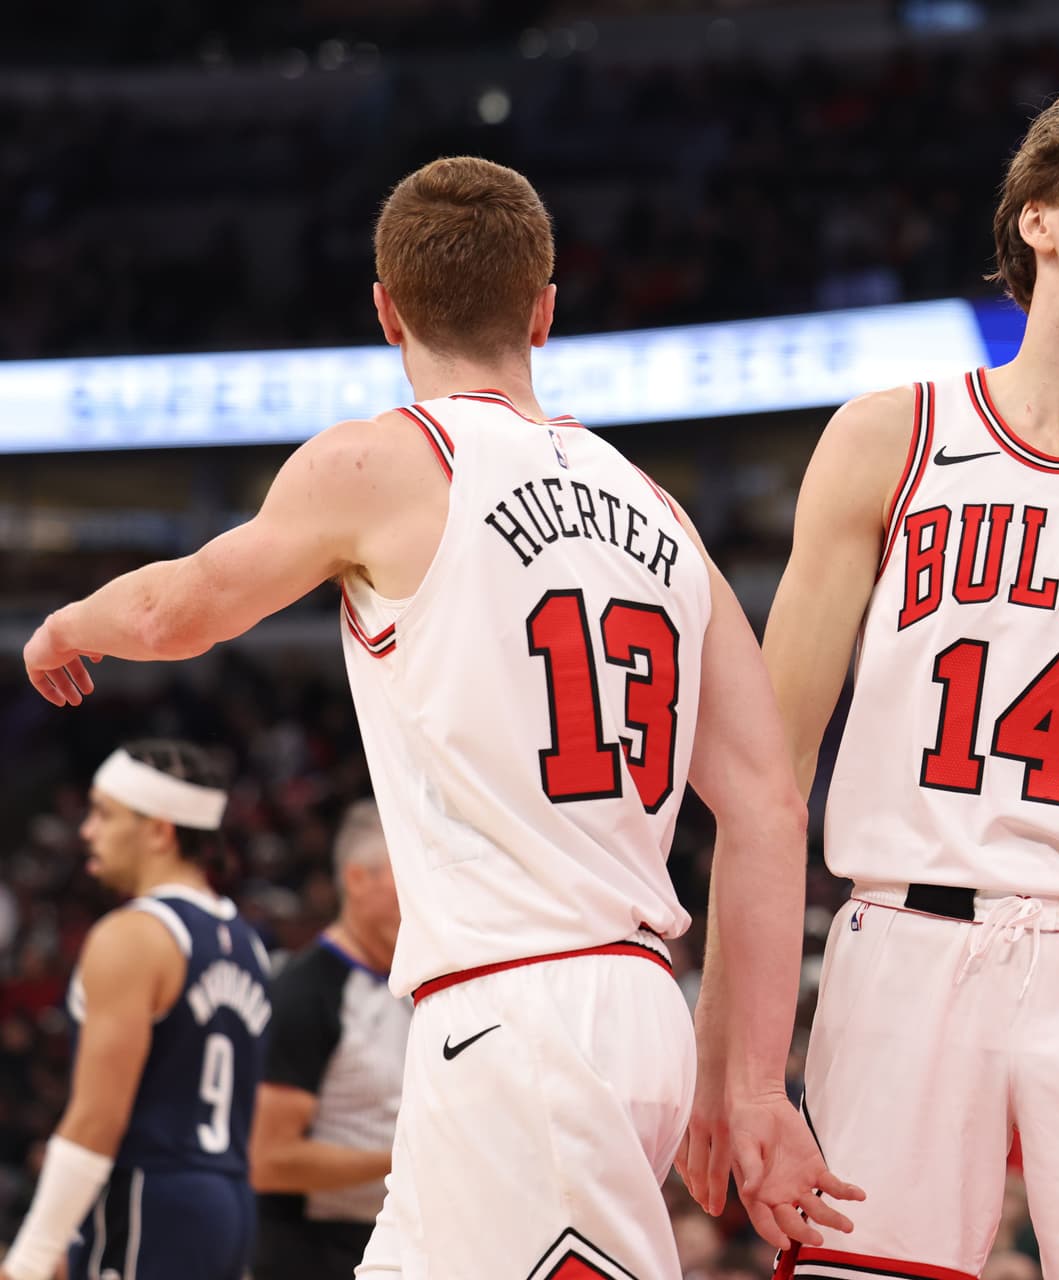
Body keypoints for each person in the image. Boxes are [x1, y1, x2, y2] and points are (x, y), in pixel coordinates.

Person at [21, 155, 857, 1276]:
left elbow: (180, 609)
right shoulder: (658, 507)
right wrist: (750, 1080)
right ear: (545, 309)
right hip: (623, 1002)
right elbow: (764, 807)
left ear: (387, 307)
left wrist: (69, 623)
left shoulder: (385, 459)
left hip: (524, 1012)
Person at [682, 74, 1059, 1280]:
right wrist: (733, 1062)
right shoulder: (887, 436)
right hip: (904, 946)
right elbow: (766, 774)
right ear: (1038, 217)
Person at [1, 740, 270, 1280]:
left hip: (149, 1199)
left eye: (103, 813)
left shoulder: (133, 935)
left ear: (159, 831)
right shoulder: (248, 943)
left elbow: (98, 1117)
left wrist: (31, 1256)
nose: (87, 831)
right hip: (230, 1203)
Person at [250, 800, 408, 1280]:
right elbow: (268, 1160)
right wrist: (405, 1160)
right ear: (358, 880)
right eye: (407, 869)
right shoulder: (303, 994)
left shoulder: (414, 980)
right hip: (317, 1250)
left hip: (399, 1238)